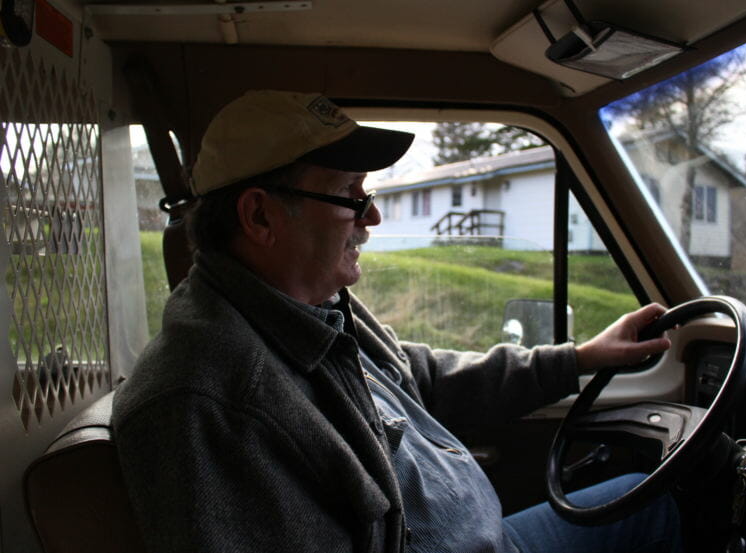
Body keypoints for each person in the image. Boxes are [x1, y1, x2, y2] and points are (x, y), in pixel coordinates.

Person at [113, 90, 681, 553]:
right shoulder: (206, 404)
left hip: (489, 537)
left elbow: (415, 376)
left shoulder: (308, 305)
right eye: (349, 195)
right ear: (260, 215)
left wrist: (581, 358)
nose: (373, 216)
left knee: (648, 497)